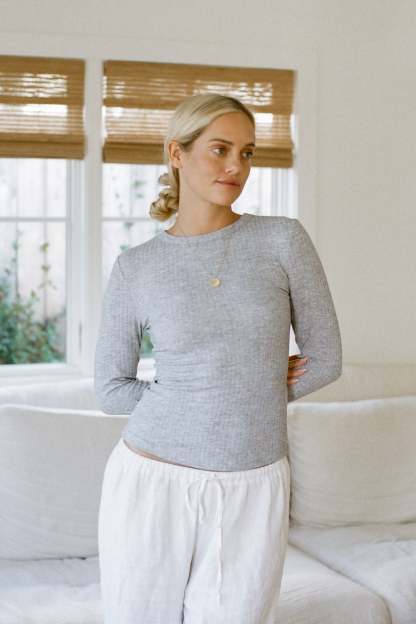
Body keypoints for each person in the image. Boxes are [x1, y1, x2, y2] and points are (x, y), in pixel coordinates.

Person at [94, 93, 342, 623]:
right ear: (177, 154)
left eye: (247, 153)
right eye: (220, 149)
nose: (236, 166)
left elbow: (326, 359)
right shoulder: (136, 267)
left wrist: (250, 389)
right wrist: (214, 392)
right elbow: (111, 389)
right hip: (151, 480)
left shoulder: (282, 240)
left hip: (253, 483)